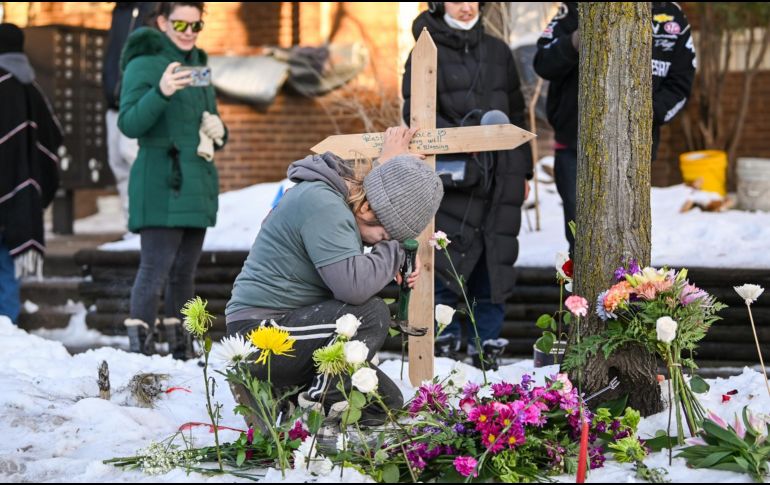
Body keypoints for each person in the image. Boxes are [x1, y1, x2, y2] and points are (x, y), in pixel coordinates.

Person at [225, 127, 444, 425]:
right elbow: (352, 288)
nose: (382, 242)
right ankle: (311, 406)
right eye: (383, 235)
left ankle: (284, 394)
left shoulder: (341, 205)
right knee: (370, 314)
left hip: (296, 330)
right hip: (258, 335)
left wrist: (395, 246)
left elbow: (367, 220)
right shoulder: (323, 204)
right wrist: (393, 250)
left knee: (385, 403)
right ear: (366, 207)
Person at [402, 2, 533, 370]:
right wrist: (462, 139)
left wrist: (522, 172)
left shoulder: (498, 51)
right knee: (445, 258)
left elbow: (517, 112)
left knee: (494, 261)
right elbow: (414, 115)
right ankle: (444, 343)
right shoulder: (423, 52)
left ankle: (486, 343)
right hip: (453, 177)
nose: (466, 7)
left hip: (501, 176)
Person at [534, 2, 696, 255]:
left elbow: (681, 82)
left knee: (628, 239)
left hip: (634, 147)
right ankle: (582, 295)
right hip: (575, 147)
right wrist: (575, 40)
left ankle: (628, 295)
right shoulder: (577, 8)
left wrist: (642, 114)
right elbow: (542, 63)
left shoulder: (670, 14)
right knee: (583, 243)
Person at [118, 2, 227, 358]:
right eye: (180, 23)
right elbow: (130, 123)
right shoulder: (144, 63)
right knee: (154, 268)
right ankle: (140, 357)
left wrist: (218, 132)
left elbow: (208, 118)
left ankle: (183, 352)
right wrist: (161, 91)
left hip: (196, 179)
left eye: (196, 25)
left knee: (185, 272)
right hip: (160, 179)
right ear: (163, 21)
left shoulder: (199, 65)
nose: (188, 31)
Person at [0, 24, 61, 325]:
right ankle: (7, 329)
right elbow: (52, 140)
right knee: (9, 267)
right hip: (21, 198)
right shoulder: (32, 88)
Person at [102, 2, 157, 223]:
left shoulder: (152, 9)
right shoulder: (120, 11)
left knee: (136, 161)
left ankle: (145, 223)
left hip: (136, 101)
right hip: (113, 102)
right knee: (117, 165)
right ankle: (131, 224)